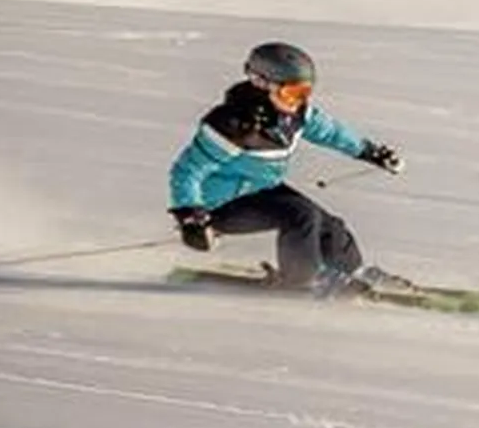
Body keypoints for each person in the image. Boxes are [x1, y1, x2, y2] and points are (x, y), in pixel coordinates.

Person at [167, 42, 407, 297]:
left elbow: (330, 132)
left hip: (262, 190)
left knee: (328, 224)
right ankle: (303, 279)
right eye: (291, 93)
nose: (298, 101)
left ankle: (353, 270)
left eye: (304, 92)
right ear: (261, 83)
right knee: (301, 215)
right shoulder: (233, 124)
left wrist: (368, 151)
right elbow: (187, 171)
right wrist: (190, 215)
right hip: (219, 205)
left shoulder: (296, 115)